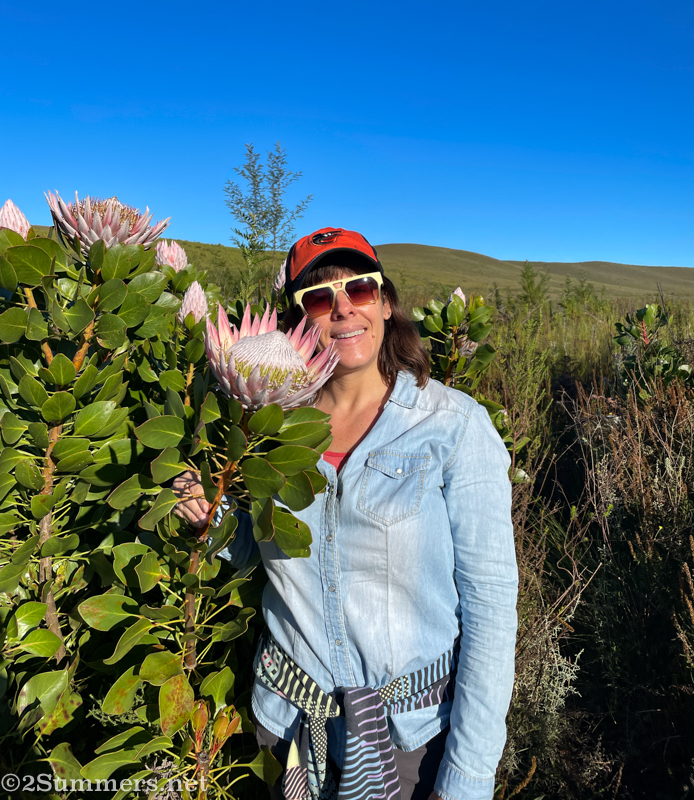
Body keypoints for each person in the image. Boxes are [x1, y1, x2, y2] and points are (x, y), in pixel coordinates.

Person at [174, 227, 518, 800]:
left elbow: (490, 609)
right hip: (285, 726)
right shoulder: (265, 424)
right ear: (299, 320)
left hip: (409, 740)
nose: (342, 310)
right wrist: (204, 516)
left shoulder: (453, 426)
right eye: (318, 297)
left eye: (358, 289)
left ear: (385, 303)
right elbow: (247, 551)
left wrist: (469, 775)